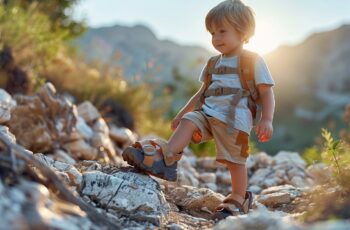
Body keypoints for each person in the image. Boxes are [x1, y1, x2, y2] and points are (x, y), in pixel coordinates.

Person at [123, 0, 275, 220]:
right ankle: (166, 159)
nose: (216, 38)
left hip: (235, 119)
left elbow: (267, 92)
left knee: (235, 160)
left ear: (242, 32)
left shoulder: (252, 60)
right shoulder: (213, 63)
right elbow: (202, 92)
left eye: (223, 31)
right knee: (190, 121)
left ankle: (239, 197)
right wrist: (183, 112)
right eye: (212, 33)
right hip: (208, 113)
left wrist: (267, 119)